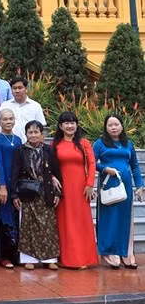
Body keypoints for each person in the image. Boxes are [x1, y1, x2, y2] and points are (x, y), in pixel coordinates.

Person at [93, 114, 144, 269]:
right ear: (105, 127)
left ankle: (126, 254)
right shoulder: (100, 143)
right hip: (108, 184)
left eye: (116, 124)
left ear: (122, 126)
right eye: (110, 125)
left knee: (124, 219)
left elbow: (135, 165)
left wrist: (139, 185)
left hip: (125, 185)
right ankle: (110, 254)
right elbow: (91, 162)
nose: (113, 127)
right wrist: (105, 169)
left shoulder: (128, 143)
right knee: (109, 219)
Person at [9, 121, 62, 270]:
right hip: (27, 191)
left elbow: (56, 171)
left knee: (48, 225)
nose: (33, 135)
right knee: (28, 225)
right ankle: (29, 259)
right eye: (30, 132)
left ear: (42, 134)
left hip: (46, 191)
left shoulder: (48, 150)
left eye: (36, 132)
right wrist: (14, 195)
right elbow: (15, 172)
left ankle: (49, 259)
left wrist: (58, 193)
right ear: (26, 134)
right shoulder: (20, 150)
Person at [53, 111, 98, 269]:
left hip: (81, 188)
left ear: (77, 125)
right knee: (64, 222)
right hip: (63, 188)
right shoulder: (55, 144)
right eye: (66, 123)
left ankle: (83, 258)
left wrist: (90, 184)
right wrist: (52, 177)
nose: (70, 126)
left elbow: (92, 163)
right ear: (60, 126)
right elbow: (49, 164)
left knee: (81, 222)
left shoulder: (84, 143)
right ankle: (68, 259)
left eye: (72, 123)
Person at [0, 109, 22, 268]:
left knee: (16, 218)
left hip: (16, 184)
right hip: (4, 184)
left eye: (10, 119)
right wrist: (2, 187)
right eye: (5, 119)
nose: (8, 122)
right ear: (0, 122)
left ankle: (16, 253)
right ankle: (4, 256)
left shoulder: (18, 139)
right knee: (4, 218)